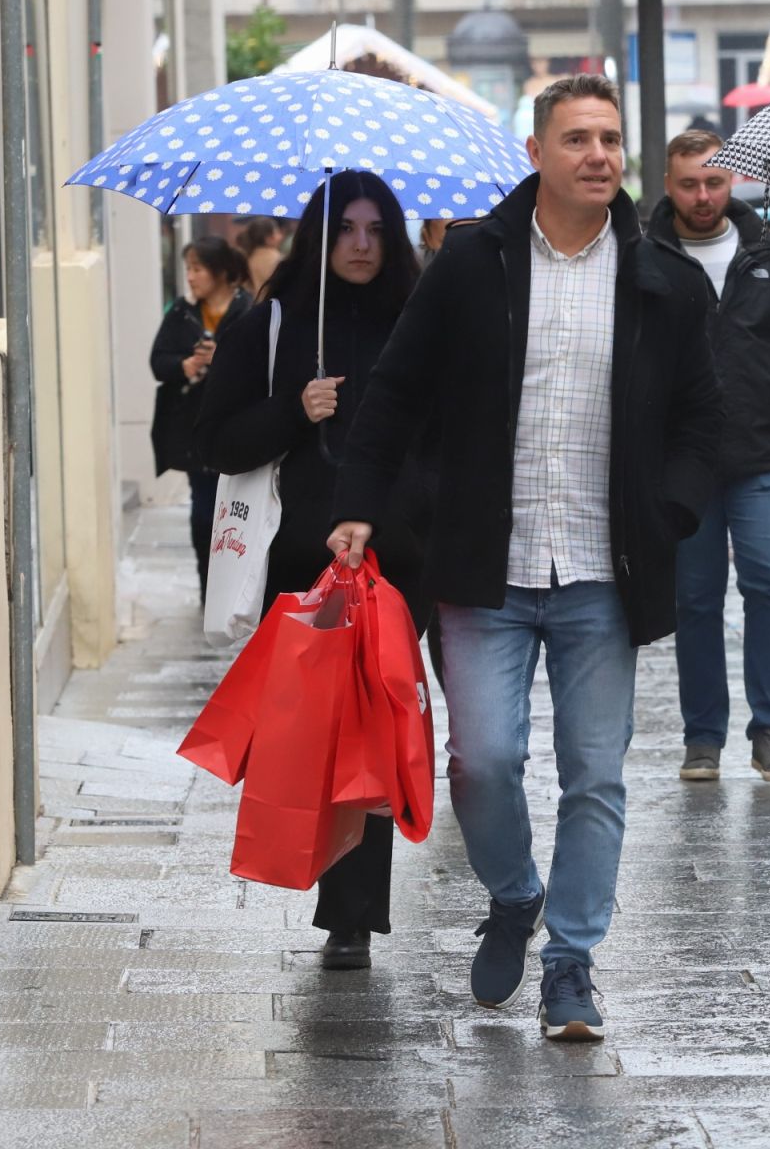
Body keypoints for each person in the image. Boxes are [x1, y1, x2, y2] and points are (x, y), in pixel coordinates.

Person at [326, 76, 723, 1042]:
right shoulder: (471, 267)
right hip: (482, 568)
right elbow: (395, 395)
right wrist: (358, 507)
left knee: (596, 773)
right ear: (537, 153)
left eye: (612, 139)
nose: (600, 155)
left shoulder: (663, 279)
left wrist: (668, 507)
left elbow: (702, 419)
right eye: (578, 138)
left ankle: (571, 964)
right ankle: (514, 893)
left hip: (603, 570)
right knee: (484, 761)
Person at [195, 170, 436, 976]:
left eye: (375, 230)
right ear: (319, 236)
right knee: (324, 738)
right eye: (345, 230)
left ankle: (352, 914)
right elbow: (220, 444)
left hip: (400, 562)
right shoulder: (273, 324)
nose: (361, 246)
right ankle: (342, 902)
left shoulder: (421, 319)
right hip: (304, 562)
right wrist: (295, 411)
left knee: (376, 724)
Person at [649, 129, 770, 784]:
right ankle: (702, 737)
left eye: (713, 181)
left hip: (763, 454)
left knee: (769, 583)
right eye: (688, 184)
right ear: (668, 185)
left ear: (731, 182)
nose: (702, 196)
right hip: (684, 461)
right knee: (695, 600)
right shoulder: (646, 254)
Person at [149, 237, 253, 601]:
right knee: (203, 514)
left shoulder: (248, 309)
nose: (190, 277)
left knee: (240, 517)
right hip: (195, 429)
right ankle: (210, 589)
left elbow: (262, 369)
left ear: (221, 272)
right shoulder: (182, 311)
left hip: (239, 429)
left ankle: (238, 589)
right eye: (187, 269)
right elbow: (158, 361)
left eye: (197, 269)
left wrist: (220, 358)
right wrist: (186, 364)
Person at [235, 217, 287, 298]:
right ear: (268, 238)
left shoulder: (248, 259)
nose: (280, 236)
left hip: (256, 305)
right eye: (277, 232)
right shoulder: (279, 260)